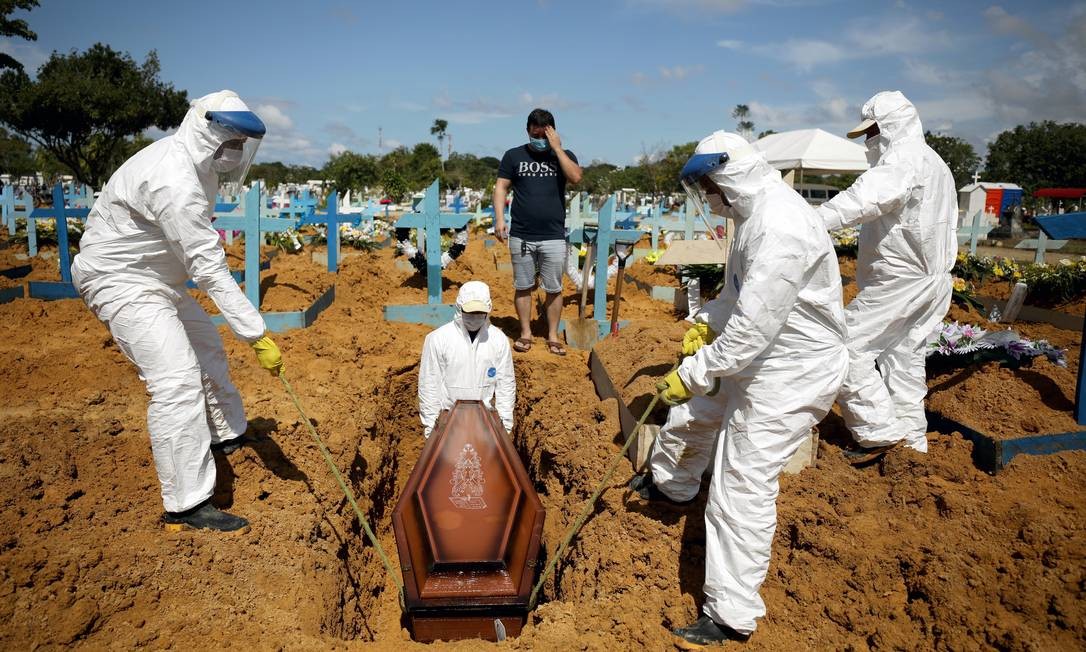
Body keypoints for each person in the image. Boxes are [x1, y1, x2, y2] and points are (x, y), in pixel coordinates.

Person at [634, 131, 848, 646]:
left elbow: (754, 328)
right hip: (763, 352)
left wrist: (694, 370)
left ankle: (730, 613)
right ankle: (671, 484)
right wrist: (707, 323)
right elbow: (738, 300)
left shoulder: (781, 227)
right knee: (698, 410)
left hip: (793, 369)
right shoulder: (753, 218)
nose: (708, 196)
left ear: (730, 176)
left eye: (710, 185)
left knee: (740, 482)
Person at [71, 90, 283, 533]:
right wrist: (256, 332)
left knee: (207, 349)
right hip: (120, 279)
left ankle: (226, 434)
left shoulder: (196, 167)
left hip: (157, 278)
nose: (237, 152)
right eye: (231, 142)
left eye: (243, 145)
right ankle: (186, 505)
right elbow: (206, 264)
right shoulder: (173, 177)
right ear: (207, 132)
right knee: (176, 381)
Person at [817, 90, 957, 460]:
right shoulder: (934, 161)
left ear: (891, 126)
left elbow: (866, 199)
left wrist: (809, 222)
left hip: (901, 281)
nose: (868, 141)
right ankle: (911, 446)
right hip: (930, 280)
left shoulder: (902, 160)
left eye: (872, 132)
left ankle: (878, 433)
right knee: (904, 358)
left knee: (843, 347)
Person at [493, 108, 582, 356]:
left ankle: (552, 336)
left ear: (553, 132)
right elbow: (501, 187)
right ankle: (525, 333)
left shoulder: (563, 155)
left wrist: (558, 149)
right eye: (536, 135)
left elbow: (575, 177)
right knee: (523, 285)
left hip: (553, 235)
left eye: (544, 135)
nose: (539, 139)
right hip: (522, 233)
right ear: (528, 131)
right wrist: (500, 218)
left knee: (553, 288)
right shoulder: (513, 156)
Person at [418, 281, 515, 437]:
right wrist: (431, 427)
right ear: (459, 307)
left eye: (479, 313)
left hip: (485, 423)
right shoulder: (439, 339)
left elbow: (506, 384)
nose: (475, 318)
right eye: (470, 313)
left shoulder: (498, 339)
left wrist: (505, 426)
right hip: (449, 423)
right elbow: (429, 383)